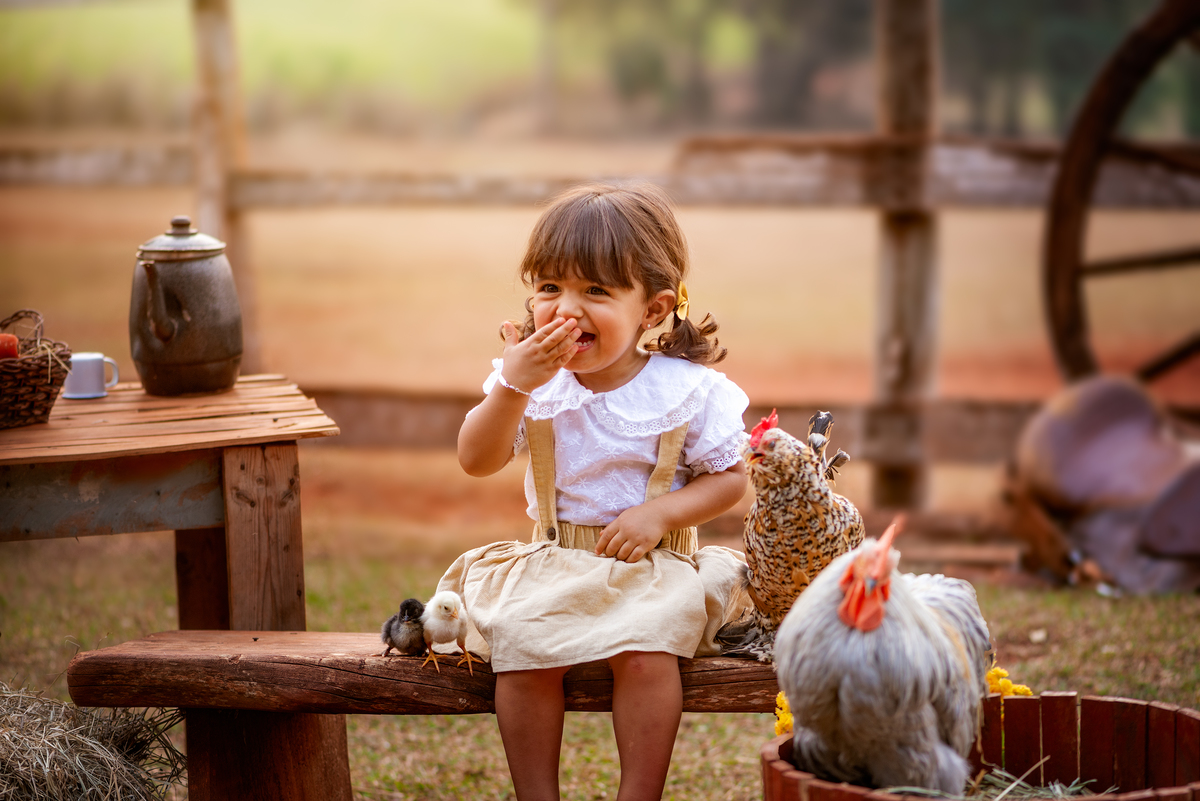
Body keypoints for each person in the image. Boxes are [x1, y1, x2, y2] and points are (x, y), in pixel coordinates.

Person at [438, 181, 751, 801]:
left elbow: (730, 479)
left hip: (650, 566)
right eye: (549, 287)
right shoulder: (528, 383)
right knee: (525, 653)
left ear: (653, 310)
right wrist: (513, 387)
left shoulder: (685, 390)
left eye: (596, 292)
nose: (566, 309)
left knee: (646, 655)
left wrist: (661, 514)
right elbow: (476, 460)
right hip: (554, 560)